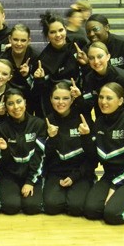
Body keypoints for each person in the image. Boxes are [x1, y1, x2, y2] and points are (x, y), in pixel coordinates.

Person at [83, 83, 124, 225]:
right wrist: (85, 137)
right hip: (110, 176)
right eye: (101, 97)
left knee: (114, 215)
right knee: (91, 210)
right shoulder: (100, 122)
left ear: (120, 101)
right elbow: (93, 156)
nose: (103, 102)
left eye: (109, 98)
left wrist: (115, 185)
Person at [43, 81, 96, 216]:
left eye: (65, 98)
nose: (61, 102)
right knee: (51, 206)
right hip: (56, 173)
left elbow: (93, 158)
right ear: (50, 99)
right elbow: (45, 157)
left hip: (80, 173)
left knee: (76, 207)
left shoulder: (83, 120)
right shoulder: (48, 121)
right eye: (56, 98)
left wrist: (75, 177)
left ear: (72, 100)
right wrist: (52, 139)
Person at [0, 88, 46, 215]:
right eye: (10, 104)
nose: (16, 107)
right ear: (5, 107)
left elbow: (40, 156)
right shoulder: (1, 128)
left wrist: (30, 181)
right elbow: (2, 163)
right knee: (11, 207)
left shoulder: (38, 124)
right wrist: (4, 150)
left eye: (19, 101)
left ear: (25, 102)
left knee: (32, 207)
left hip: (32, 174)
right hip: (9, 175)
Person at [32, 11, 88, 117]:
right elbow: (40, 93)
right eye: (52, 32)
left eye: (61, 30)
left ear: (66, 29)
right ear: (47, 36)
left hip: (78, 100)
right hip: (56, 107)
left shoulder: (78, 44)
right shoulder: (43, 60)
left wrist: (86, 64)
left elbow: (90, 75)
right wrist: (39, 80)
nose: (58, 35)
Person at [81, 42, 124, 118]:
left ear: (108, 57)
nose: (96, 61)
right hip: (102, 121)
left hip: (123, 122)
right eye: (91, 58)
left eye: (100, 56)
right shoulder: (88, 78)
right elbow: (87, 105)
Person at [0, 24, 39, 114]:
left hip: (31, 100)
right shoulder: (3, 58)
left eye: (23, 40)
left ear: (29, 41)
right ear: (10, 39)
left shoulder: (36, 57)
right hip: (10, 101)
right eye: (15, 39)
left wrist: (28, 76)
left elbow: (38, 88)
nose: (19, 44)